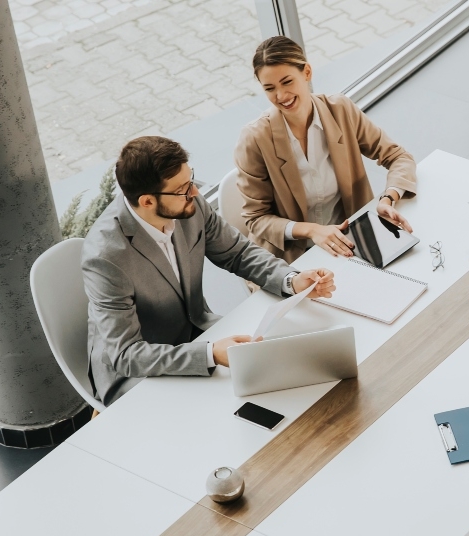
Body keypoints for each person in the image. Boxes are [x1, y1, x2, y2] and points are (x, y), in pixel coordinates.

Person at [83, 136, 335, 406]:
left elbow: (237, 252)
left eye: (190, 179)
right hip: (137, 370)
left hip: (196, 331)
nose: (195, 192)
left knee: (286, 376)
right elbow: (127, 355)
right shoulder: (106, 256)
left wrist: (292, 280)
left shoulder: (189, 204)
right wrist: (210, 354)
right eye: (182, 189)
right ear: (147, 202)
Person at [232, 36, 418, 263]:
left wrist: (388, 198)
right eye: (270, 88)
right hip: (291, 256)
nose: (280, 96)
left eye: (287, 82)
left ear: (307, 72)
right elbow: (256, 219)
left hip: (351, 241)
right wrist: (311, 230)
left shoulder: (340, 110)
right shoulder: (254, 139)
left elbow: (398, 156)